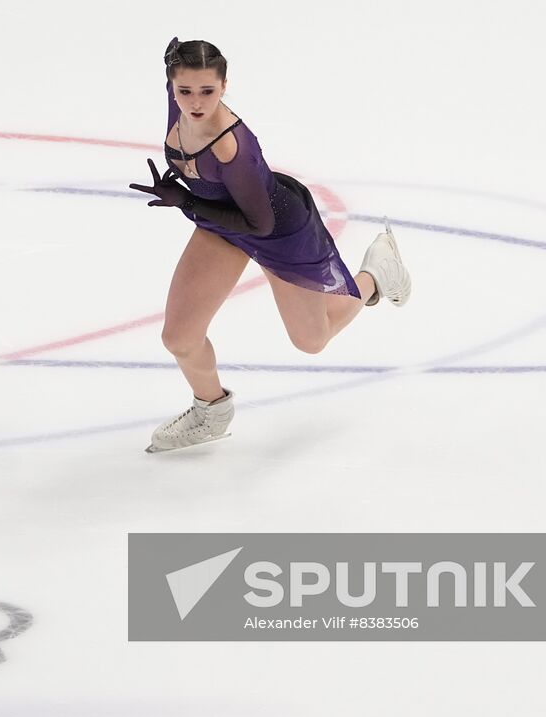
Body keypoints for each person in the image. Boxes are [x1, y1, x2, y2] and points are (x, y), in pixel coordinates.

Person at [130, 37, 411, 454]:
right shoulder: (180, 105)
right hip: (221, 221)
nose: (195, 101)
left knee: (311, 341)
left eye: (207, 91)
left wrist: (187, 200)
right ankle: (211, 410)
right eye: (184, 90)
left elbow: (259, 224)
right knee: (180, 337)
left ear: (224, 86)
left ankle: (375, 275)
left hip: (279, 229)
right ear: (171, 85)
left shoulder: (230, 145)